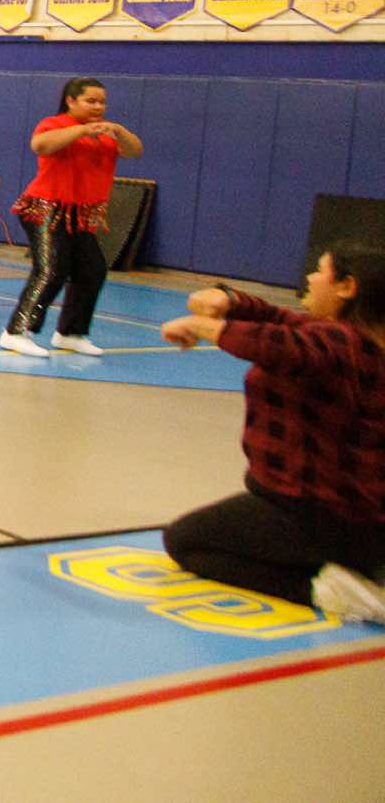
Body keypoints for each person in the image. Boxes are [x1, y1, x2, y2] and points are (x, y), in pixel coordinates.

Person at [159, 246, 385, 624]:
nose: (310, 278)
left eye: (320, 271)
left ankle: (329, 590)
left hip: (321, 515)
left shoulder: (342, 343)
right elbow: (282, 319)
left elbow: (282, 345)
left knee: (186, 541)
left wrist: (205, 327)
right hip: (345, 515)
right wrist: (231, 301)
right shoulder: (355, 338)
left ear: (347, 287)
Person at [0, 78, 144, 359]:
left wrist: (119, 131)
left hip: (79, 217)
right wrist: (82, 131)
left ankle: (70, 333)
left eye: (102, 102)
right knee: (51, 269)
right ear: (71, 101)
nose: (98, 107)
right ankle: (16, 331)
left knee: (92, 270)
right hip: (45, 211)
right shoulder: (54, 124)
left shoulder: (106, 134)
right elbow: (40, 145)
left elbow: (134, 150)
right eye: (91, 101)